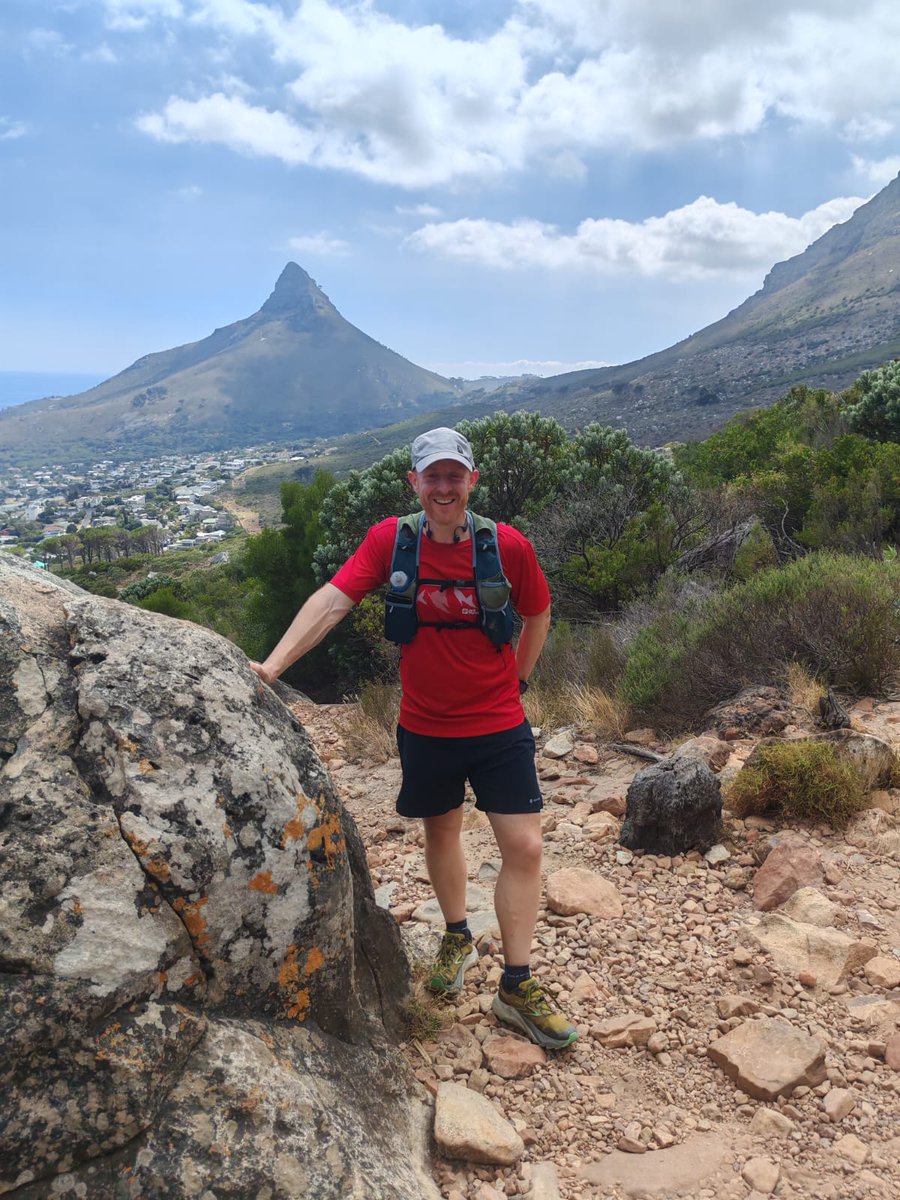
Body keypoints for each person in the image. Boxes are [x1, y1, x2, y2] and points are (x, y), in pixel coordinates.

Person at [249, 427, 578, 1050]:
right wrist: (272, 667)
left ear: (472, 481)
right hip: (426, 727)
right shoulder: (391, 541)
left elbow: (538, 612)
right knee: (442, 833)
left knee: (525, 846)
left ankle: (516, 984)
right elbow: (333, 601)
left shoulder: (506, 546)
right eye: (433, 477)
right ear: (414, 483)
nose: (444, 487)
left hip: (499, 725)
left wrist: (519, 681)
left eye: (455, 475)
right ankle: (457, 935)